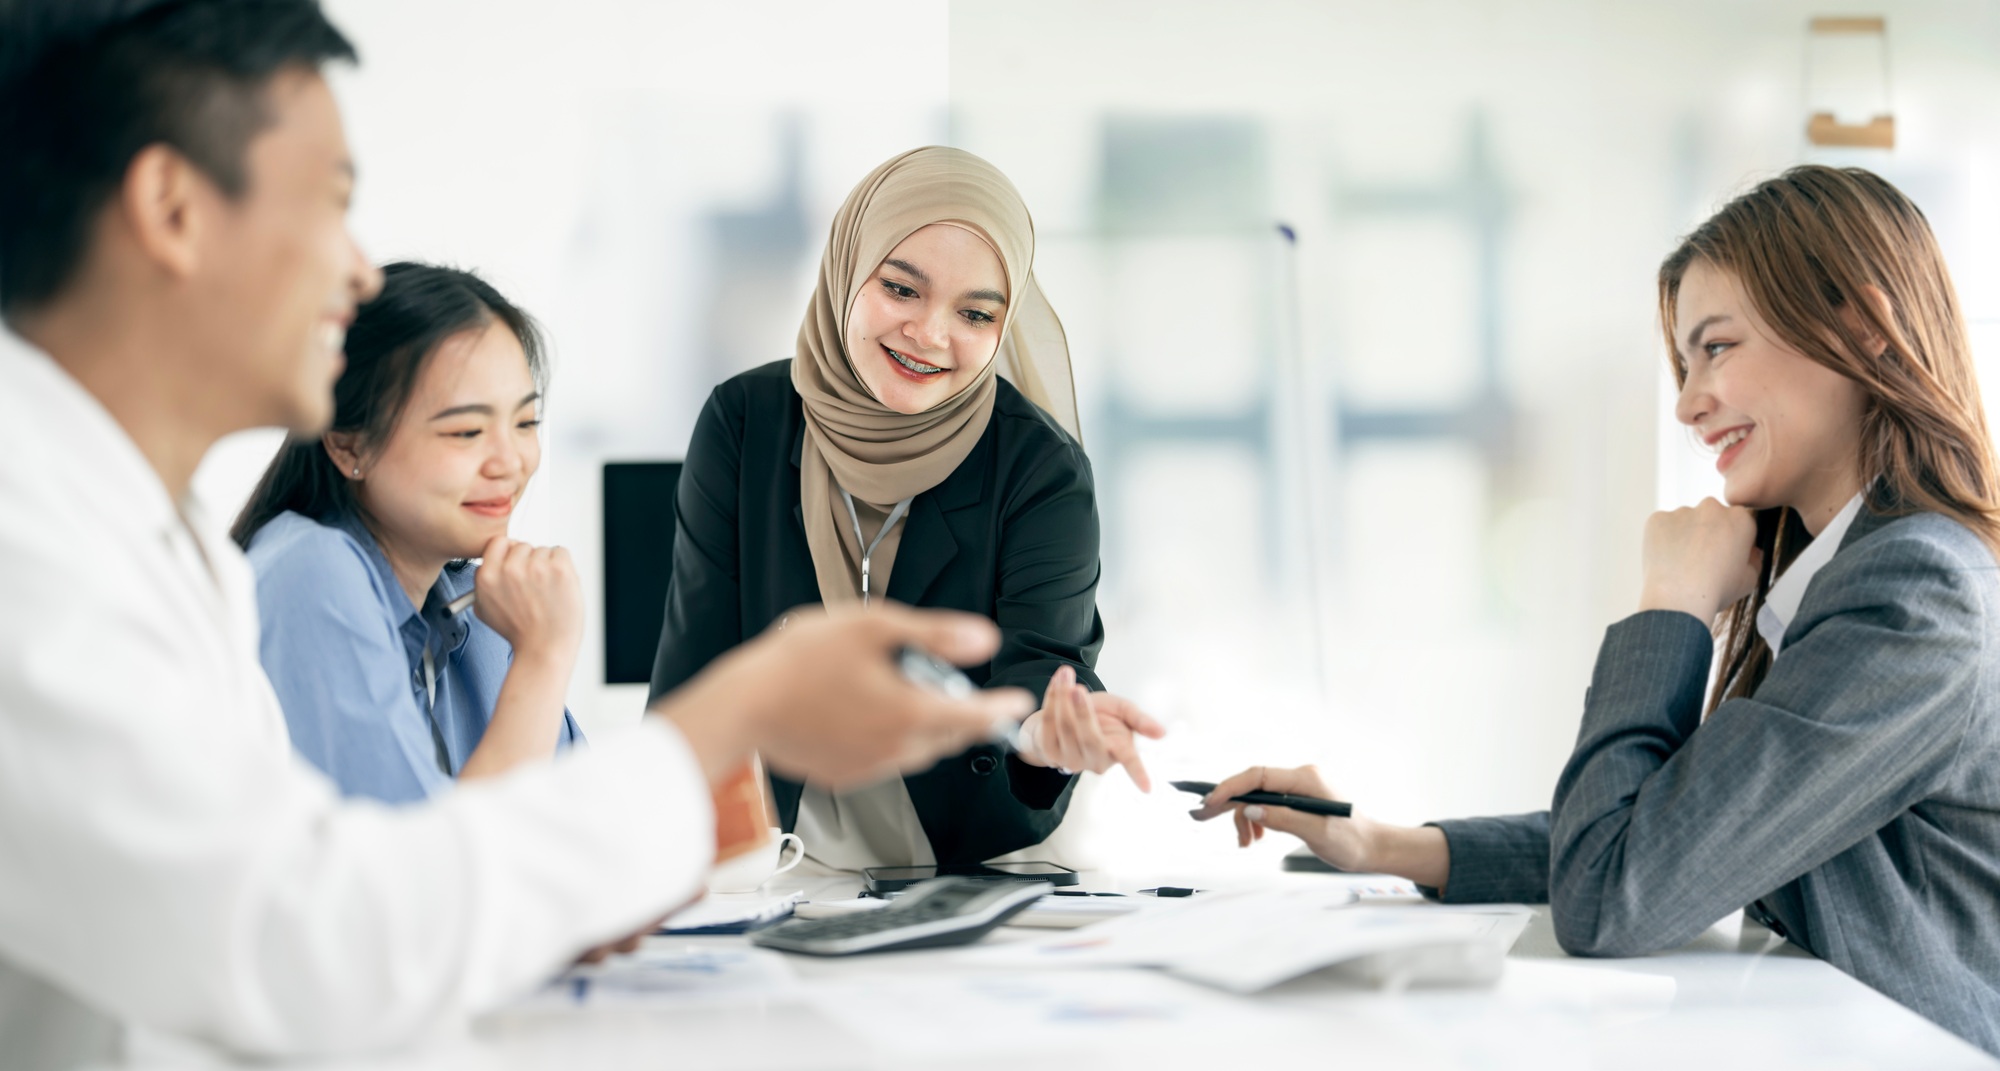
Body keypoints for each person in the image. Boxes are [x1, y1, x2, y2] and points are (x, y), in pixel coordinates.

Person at [0, 3, 1027, 1065]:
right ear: (173, 210)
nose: (358, 274)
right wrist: (738, 713)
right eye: (329, 203)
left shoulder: (170, 547)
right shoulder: (37, 560)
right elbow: (328, 943)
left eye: (525, 422)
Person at [1194, 166, 2000, 1055]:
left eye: (1717, 347)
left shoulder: (1915, 593)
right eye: (1686, 362)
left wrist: (1673, 605)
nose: (1691, 402)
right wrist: (1381, 843)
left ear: (1863, 325)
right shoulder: (1855, 576)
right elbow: (1668, 831)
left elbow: (1612, 887)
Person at [648, 146, 1164, 870]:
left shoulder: (1038, 466)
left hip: (978, 861)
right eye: (901, 289)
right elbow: (694, 671)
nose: (930, 335)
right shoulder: (745, 424)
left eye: (976, 312)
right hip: (783, 857)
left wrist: (1046, 733)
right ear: (847, 268)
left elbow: (1040, 667)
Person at [234, 261, 587, 801]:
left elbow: (586, 839)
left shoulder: (484, 613)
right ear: (349, 443)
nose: (509, 461)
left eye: (525, 423)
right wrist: (544, 657)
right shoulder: (308, 572)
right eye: (466, 431)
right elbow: (431, 878)